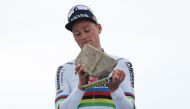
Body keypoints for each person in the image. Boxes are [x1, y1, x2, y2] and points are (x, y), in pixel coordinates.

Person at [55, 4, 136, 109]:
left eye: (87, 30)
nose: (83, 36)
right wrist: (80, 87)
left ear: (99, 28)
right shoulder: (65, 69)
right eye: (77, 33)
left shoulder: (122, 63)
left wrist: (115, 89)